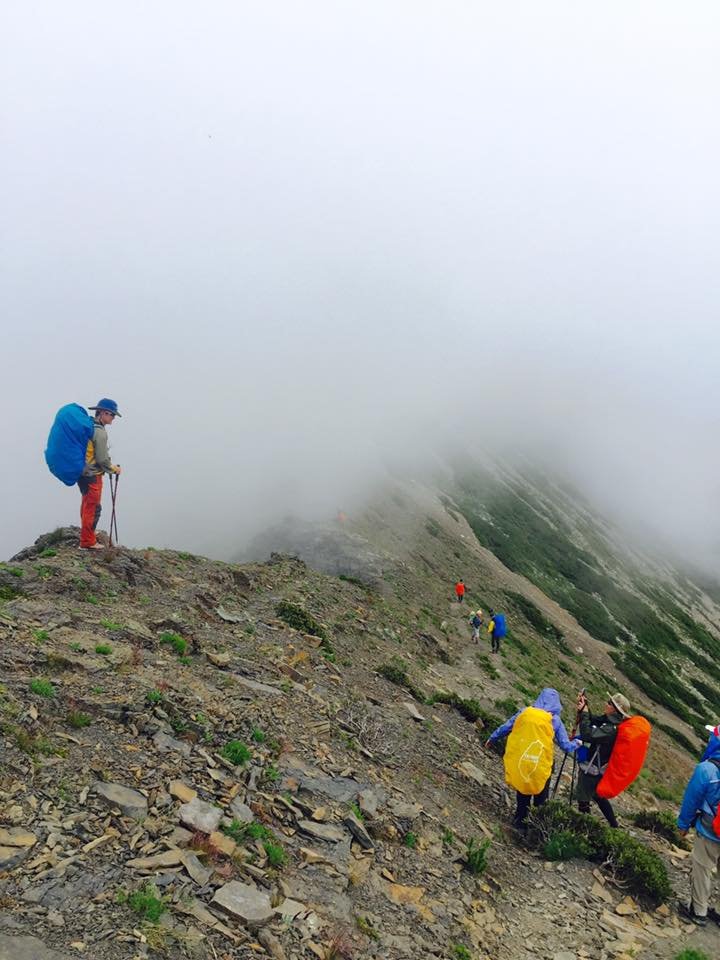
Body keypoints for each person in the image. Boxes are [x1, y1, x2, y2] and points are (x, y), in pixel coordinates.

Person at [485, 687, 580, 829]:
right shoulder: (554, 720)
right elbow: (565, 745)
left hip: (523, 758)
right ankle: (536, 826)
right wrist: (578, 743)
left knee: (523, 790)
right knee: (541, 794)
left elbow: (506, 727)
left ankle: (519, 823)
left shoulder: (525, 712)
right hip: (542, 762)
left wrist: (492, 738)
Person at [676, 724, 720, 926]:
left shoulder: (707, 769)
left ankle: (698, 911)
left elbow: (691, 800)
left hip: (711, 830)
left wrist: (683, 824)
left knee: (703, 867)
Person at [575, 691, 631, 828]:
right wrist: (585, 709)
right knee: (598, 796)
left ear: (615, 709)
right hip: (599, 767)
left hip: (593, 768)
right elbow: (594, 720)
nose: (606, 704)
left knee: (583, 798)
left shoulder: (611, 728)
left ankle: (585, 829)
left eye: (609, 703)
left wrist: (584, 713)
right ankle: (613, 825)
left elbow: (588, 734)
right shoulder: (609, 721)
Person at [79, 398, 122, 549]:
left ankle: (87, 534)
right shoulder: (100, 432)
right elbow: (102, 459)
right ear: (104, 413)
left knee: (86, 504)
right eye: (112, 415)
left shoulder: (90, 426)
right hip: (93, 474)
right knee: (93, 507)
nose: (113, 418)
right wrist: (113, 469)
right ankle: (87, 542)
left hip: (83, 473)